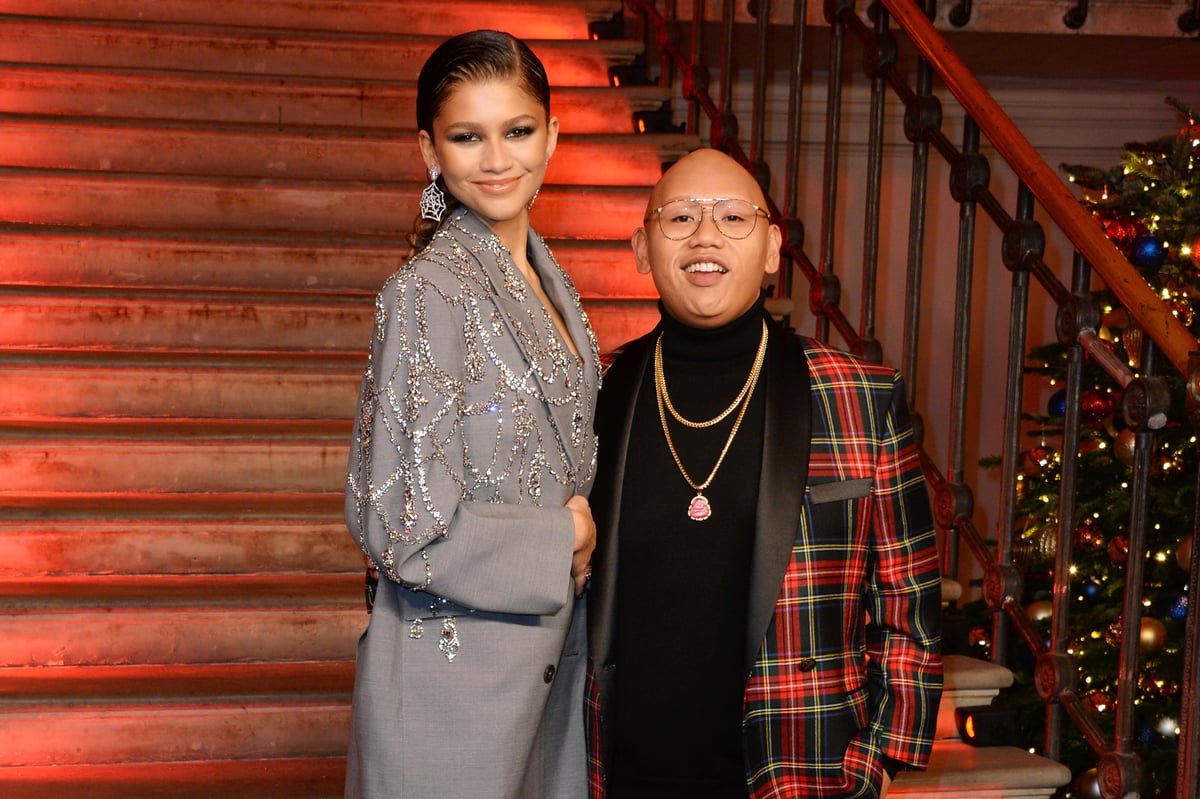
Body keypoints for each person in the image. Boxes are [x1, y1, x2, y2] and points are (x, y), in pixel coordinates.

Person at [586, 148, 943, 799]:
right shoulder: (593, 392)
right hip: (621, 772)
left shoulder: (862, 397)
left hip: (796, 774)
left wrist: (877, 761)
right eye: (679, 218)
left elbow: (910, 611)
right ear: (641, 246)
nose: (705, 235)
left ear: (774, 248)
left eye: (732, 217)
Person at [343, 29, 600, 799]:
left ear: (552, 136)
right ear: (431, 149)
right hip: (448, 687)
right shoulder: (429, 291)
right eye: (467, 136)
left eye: (518, 130)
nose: (497, 159)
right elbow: (401, 524)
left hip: (541, 673)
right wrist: (570, 534)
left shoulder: (553, 282)